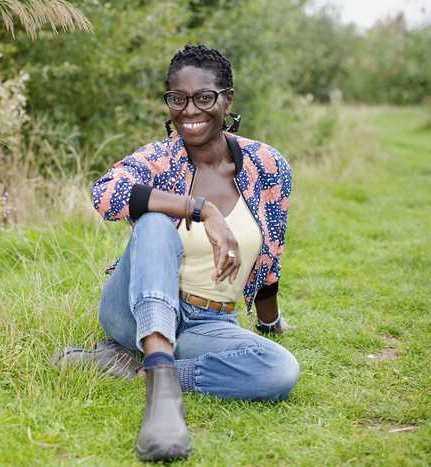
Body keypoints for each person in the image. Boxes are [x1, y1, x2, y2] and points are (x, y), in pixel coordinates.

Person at [55, 44, 300, 462]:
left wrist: (270, 321)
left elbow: (268, 259)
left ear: (227, 99)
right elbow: (104, 194)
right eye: (177, 98)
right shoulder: (158, 158)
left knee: (280, 370)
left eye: (204, 97)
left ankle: (137, 367)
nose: (190, 111)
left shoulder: (269, 167)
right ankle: (162, 400)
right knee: (152, 221)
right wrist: (199, 209)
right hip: (134, 308)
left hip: (209, 321)